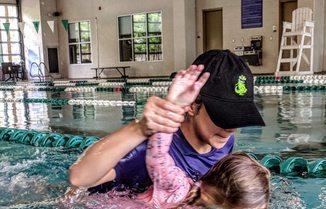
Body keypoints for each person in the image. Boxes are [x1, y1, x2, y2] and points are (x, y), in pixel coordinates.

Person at [68, 50, 265, 194]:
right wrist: (140, 128)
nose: (231, 128)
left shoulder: (223, 141)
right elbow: (79, 179)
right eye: (223, 116)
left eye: (238, 117)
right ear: (193, 105)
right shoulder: (150, 149)